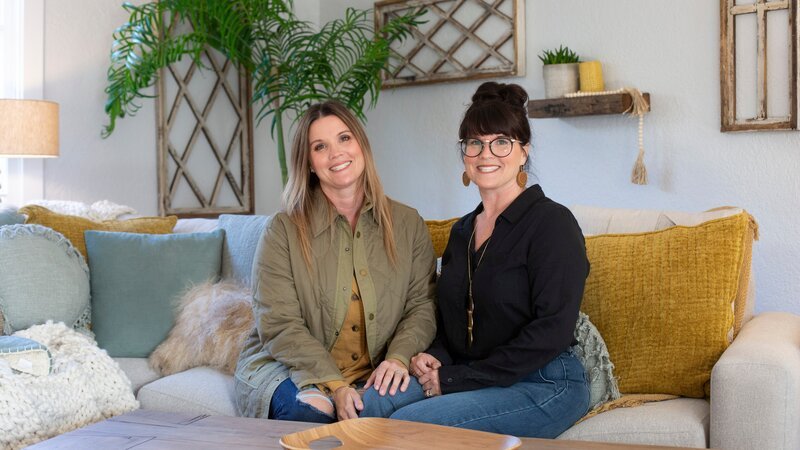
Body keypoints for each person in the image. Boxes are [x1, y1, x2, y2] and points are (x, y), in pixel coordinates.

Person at [363, 82, 591, 438]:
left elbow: (553, 330)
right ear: (465, 154)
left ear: (523, 152)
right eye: (475, 143)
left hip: (545, 381)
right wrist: (433, 355)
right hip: (473, 374)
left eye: (502, 142)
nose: (487, 154)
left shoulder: (552, 223)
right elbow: (453, 320)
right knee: (371, 404)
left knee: (409, 427)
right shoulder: (463, 231)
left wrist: (454, 379)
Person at [234, 100, 437, 423]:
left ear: (361, 145)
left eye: (344, 138)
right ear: (309, 163)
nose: (336, 153)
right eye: (320, 146)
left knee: (374, 414)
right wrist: (336, 385)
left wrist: (398, 358)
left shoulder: (407, 223)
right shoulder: (283, 230)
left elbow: (422, 306)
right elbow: (279, 324)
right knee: (315, 411)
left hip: (372, 371)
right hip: (288, 367)